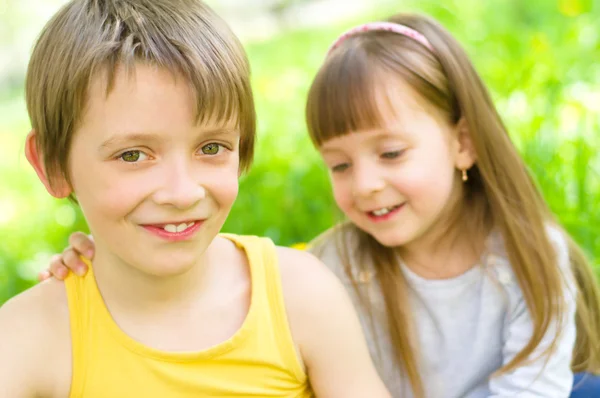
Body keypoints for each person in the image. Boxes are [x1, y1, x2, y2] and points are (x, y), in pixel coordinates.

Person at [41, 12, 600, 398]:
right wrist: (111, 260)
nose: (368, 184)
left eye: (391, 152)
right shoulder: (334, 266)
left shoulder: (529, 257)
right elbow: (221, 275)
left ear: (463, 142)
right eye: (340, 164)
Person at [0, 1, 390, 397]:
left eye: (211, 147)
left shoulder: (301, 295)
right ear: (53, 165)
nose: (183, 192)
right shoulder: (26, 342)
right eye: (132, 155)